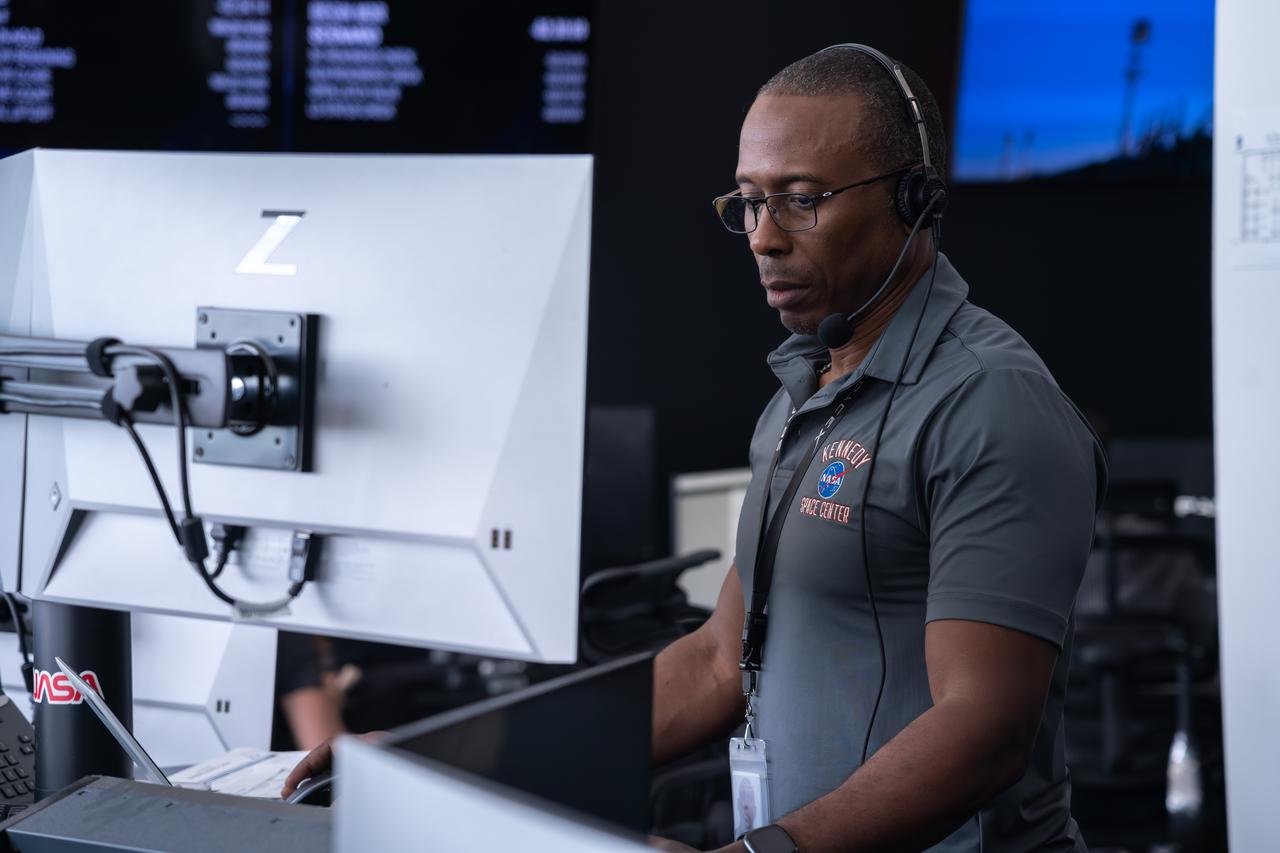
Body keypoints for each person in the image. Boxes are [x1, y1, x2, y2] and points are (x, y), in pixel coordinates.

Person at [285, 45, 1106, 853]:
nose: (763, 237)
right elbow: (719, 661)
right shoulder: (806, 392)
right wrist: (436, 760)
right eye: (748, 201)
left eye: (801, 199)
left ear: (914, 202)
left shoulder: (990, 403)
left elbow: (986, 725)